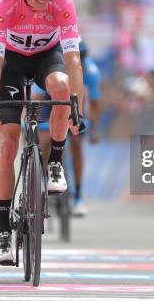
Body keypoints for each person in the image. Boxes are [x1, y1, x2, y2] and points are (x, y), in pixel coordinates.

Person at [0, 0, 86, 265]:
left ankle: (54, 162)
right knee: (8, 145)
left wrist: (76, 110)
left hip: (46, 57)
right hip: (12, 63)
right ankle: (3, 231)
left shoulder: (62, 3)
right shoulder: (4, 5)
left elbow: (73, 60)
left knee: (61, 87)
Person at [34, 40, 101, 217]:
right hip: (50, 106)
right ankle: (44, 179)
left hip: (76, 108)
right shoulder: (52, 66)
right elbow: (38, 100)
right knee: (45, 141)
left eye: (82, 58)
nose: (78, 60)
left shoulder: (91, 72)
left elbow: (94, 104)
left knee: (77, 143)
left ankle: (78, 196)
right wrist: (35, 124)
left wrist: (94, 129)